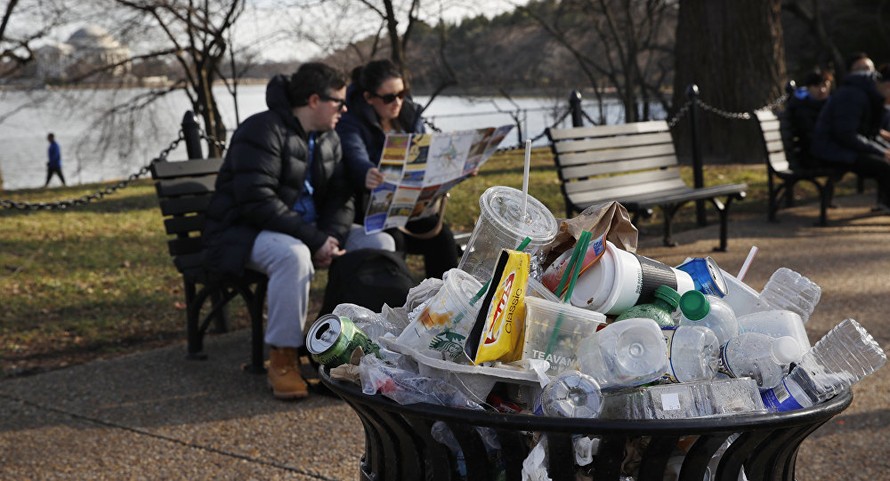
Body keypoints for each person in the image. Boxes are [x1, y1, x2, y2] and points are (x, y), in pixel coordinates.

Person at [202, 62, 395, 400]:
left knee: (379, 240)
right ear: (313, 100)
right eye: (338, 101)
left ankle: (361, 346)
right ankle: (283, 359)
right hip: (244, 232)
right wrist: (315, 240)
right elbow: (255, 200)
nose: (345, 108)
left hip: (310, 233)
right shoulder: (260, 130)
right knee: (294, 256)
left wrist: (331, 236)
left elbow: (341, 196)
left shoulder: (329, 138)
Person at [336, 59, 459, 279]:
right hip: (372, 211)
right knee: (396, 242)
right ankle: (401, 303)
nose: (398, 102)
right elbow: (355, 155)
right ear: (369, 98)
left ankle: (445, 304)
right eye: (390, 97)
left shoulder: (409, 114)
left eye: (402, 94)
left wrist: (455, 169)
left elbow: (429, 153)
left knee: (443, 238)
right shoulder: (350, 121)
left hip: (411, 207)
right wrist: (368, 172)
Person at [811, 53, 890, 212]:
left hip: (844, 147)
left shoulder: (871, 94)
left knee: (885, 160)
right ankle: (886, 204)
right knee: (884, 165)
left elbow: (870, 134)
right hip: (830, 150)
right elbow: (846, 134)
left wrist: (884, 150)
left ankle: (885, 204)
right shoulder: (853, 95)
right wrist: (882, 152)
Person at [786, 69, 833, 168]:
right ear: (808, 88)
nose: (822, 90)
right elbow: (810, 136)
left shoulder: (831, 105)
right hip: (811, 156)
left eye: (825, 85)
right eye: (817, 86)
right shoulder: (801, 108)